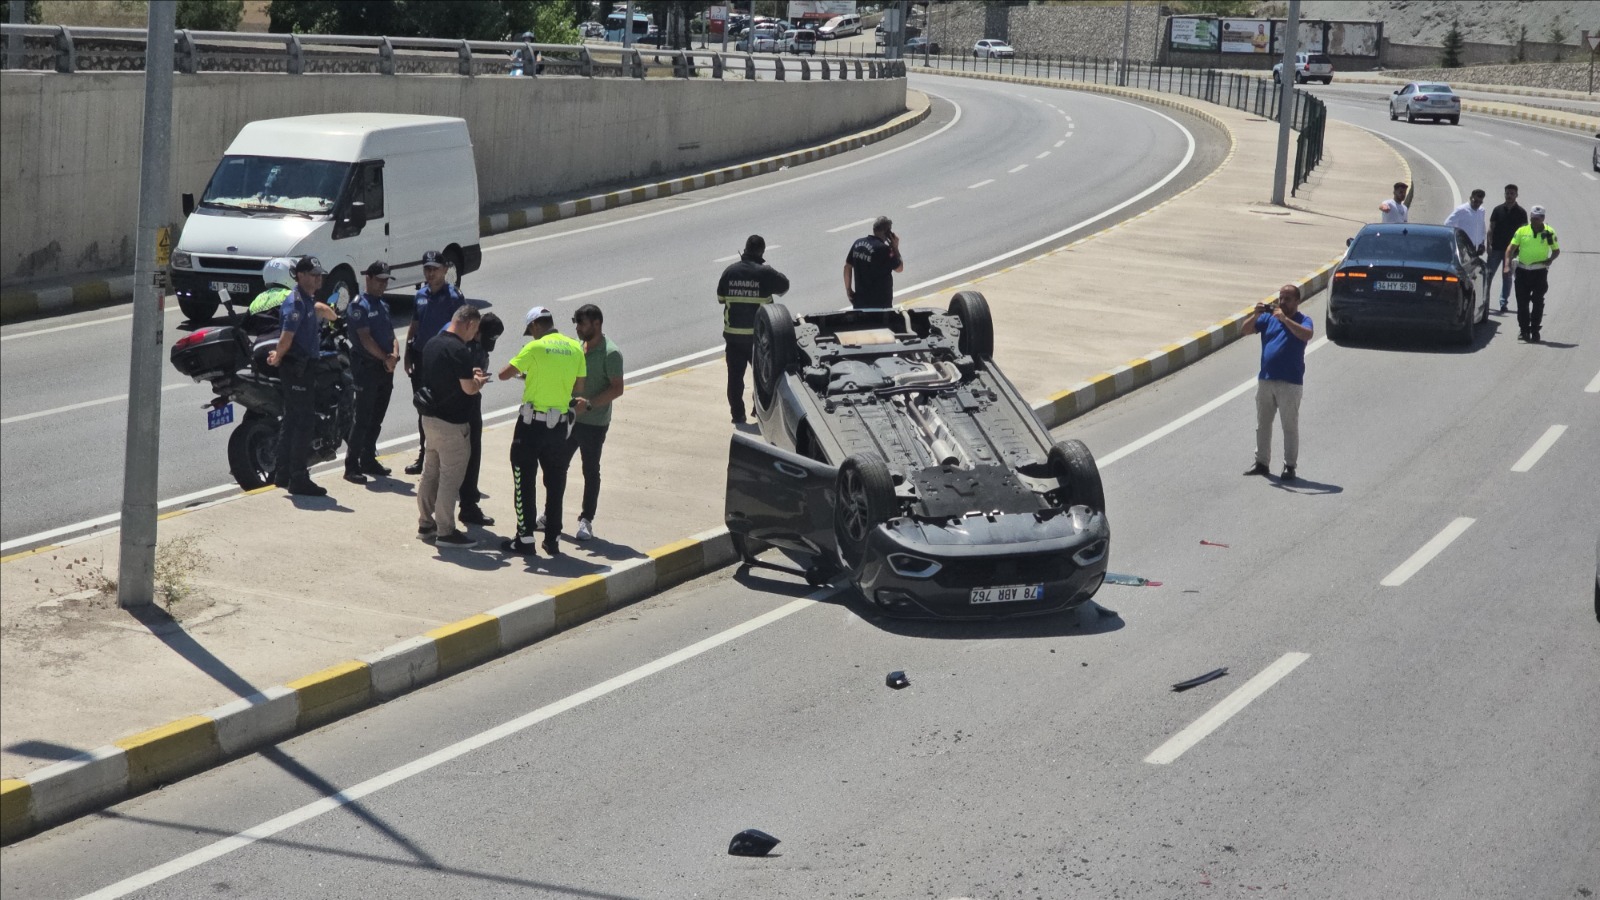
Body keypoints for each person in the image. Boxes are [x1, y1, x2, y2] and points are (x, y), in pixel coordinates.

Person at [499, 306, 586, 556]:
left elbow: (505, 374)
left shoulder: (535, 348)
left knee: (523, 478)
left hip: (531, 426)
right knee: (556, 481)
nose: (532, 336)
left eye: (531, 331)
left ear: (536, 325)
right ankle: (553, 539)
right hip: (559, 427)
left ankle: (525, 539)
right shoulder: (574, 347)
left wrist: (530, 376)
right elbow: (578, 387)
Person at [415, 305, 491, 550]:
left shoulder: (432, 344)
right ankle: (446, 531)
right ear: (469, 324)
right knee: (450, 478)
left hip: (430, 420)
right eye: (475, 329)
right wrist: (478, 381)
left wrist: (468, 374)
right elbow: (468, 388)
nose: (475, 335)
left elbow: (443, 375)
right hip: (452, 425)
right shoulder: (460, 350)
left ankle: (426, 524)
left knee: (430, 473)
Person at [265, 256, 337, 496]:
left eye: (320, 274)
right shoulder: (295, 302)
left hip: (304, 367)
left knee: (292, 420)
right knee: (303, 422)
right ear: (301, 276)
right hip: (297, 368)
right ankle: (298, 477)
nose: (319, 278)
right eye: (314, 274)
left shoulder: (307, 300)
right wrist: (278, 355)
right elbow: (286, 337)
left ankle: (283, 473)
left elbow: (316, 311)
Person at [562, 304, 625, 541]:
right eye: (576, 323)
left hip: (594, 423)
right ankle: (550, 514)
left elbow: (617, 389)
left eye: (582, 323)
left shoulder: (611, 353)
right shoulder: (578, 348)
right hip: (570, 419)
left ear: (597, 324)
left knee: (590, 470)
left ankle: (586, 520)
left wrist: (588, 404)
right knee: (557, 465)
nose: (578, 328)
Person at [1242, 284, 1313, 483]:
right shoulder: (1267, 319)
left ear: (1297, 301)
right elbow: (1245, 330)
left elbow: (1306, 335)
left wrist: (1285, 319)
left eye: (1288, 299)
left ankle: (1289, 466)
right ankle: (1261, 462)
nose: (1282, 302)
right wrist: (1255, 315)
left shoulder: (1303, 320)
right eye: (1281, 298)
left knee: (1289, 426)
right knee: (1263, 424)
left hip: (1290, 383)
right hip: (1266, 379)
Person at [717, 235, 790, 424]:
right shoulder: (765, 273)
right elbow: (784, 285)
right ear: (761, 252)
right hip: (758, 338)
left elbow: (721, 298)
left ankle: (737, 415)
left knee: (734, 377)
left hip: (733, 337)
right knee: (761, 377)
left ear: (745, 249)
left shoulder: (729, 272)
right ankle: (757, 410)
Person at [404, 250, 465, 475]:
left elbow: (462, 329)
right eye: (426, 269)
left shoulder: (454, 296)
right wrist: (408, 354)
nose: (430, 273)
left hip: (444, 360)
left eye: (434, 269)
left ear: (445, 270)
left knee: (443, 409)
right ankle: (425, 455)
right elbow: (415, 325)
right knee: (423, 407)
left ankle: (443, 458)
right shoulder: (420, 295)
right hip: (421, 358)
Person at [343, 261, 400, 484]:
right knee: (362, 418)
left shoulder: (383, 305)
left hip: (386, 368)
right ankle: (352, 465)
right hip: (367, 368)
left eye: (386, 281)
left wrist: (394, 355)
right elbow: (365, 339)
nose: (383, 285)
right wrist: (386, 358)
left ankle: (368, 458)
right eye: (380, 280)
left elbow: (392, 334)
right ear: (368, 279)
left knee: (377, 416)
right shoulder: (359, 305)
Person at [457, 311, 505, 527]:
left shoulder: (481, 348)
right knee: (455, 459)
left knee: (473, 454)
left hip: (472, 402)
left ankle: (469, 504)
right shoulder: (461, 345)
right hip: (457, 405)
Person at [1505, 205, 1559, 343]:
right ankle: (1524, 330)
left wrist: (1550, 259)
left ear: (1543, 218)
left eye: (1538, 218)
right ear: (1530, 217)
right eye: (1533, 217)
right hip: (1522, 271)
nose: (1535, 220)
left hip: (1539, 272)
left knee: (1538, 301)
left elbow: (1556, 250)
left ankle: (1535, 329)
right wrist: (1506, 265)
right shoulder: (1522, 231)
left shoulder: (1549, 232)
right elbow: (1510, 249)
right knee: (1522, 303)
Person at [843, 216, 903, 309]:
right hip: (880, 305)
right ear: (888, 232)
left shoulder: (858, 243)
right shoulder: (884, 249)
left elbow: (847, 267)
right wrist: (895, 248)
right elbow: (899, 268)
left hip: (860, 302)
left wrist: (848, 289)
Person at [1486, 183, 1527, 314]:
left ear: (1516, 195)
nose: (1509, 196)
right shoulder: (1497, 210)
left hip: (1512, 251)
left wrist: (1521, 249)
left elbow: (1525, 232)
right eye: (1507, 193)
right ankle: (1484, 301)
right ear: (1504, 194)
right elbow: (1491, 228)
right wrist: (1489, 245)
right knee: (1488, 275)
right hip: (1496, 248)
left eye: (1512, 194)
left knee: (1507, 276)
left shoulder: (1521, 212)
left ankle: (1503, 303)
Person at [1443, 188, 1486, 259]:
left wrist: (1482, 243)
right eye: (1475, 201)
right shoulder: (1462, 210)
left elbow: (1482, 227)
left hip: (1476, 247)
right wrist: (1456, 239)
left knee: (1473, 268)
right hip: (1463, 246)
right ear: (1470, 198)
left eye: (1480, 202)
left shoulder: (1481, 210)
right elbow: (1447, 223)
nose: (1477, 204)